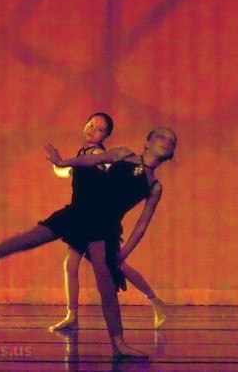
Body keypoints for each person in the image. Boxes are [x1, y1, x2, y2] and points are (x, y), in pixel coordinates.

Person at [0, 127, 177, 357]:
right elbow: (90, 160)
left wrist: (124, 252)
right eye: (161, 137)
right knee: (27, 239)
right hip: (80, 212)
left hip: (104, 228)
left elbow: (141, 225)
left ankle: (118, 343)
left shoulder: (154, 186)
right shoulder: (123, 154)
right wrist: (63, 162)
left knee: (106, 286)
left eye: (171, 141)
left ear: (171, 153)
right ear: (147, 142)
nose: (166, 141)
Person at [48, 114, 167, 331]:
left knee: (118, 265)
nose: (93, 130)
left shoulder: (98, 154)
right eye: (91, 125)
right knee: (71, 264)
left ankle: (155, 301)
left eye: (100, 129)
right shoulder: (83, 153)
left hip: (97, 220)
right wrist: (59, 165)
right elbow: (70, 172)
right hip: (83, 217)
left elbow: (104, 171)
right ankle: (71, 314)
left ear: (106, 136)